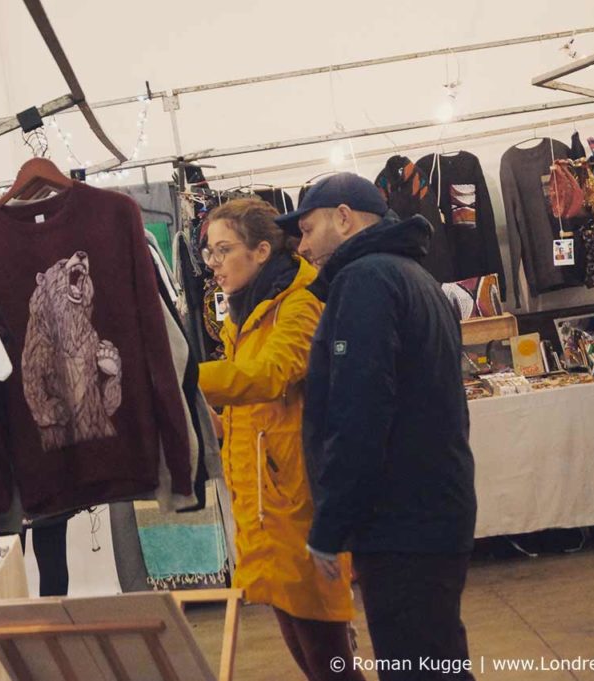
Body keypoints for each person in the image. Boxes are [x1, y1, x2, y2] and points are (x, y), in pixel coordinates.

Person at [276, 172, 478, 681]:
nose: (301, 248)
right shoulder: (414, 277)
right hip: (428, 510)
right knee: (436, 662)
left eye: (307, 229)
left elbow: (358, 412)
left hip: (402, 521)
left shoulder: (365, 281)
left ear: (344, 218)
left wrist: (330, 525)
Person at [197, 198, 364, 681]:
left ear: (262, 250)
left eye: (224, 250)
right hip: (264, 507)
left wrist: (187, 378)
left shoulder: (300, 303)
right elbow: (260, 414)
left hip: (299, 505)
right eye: (210, 253)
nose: (215, 265)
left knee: (329, 660)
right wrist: (218, 427)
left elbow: (270, 375)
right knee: (310, 654)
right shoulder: (243, 314)